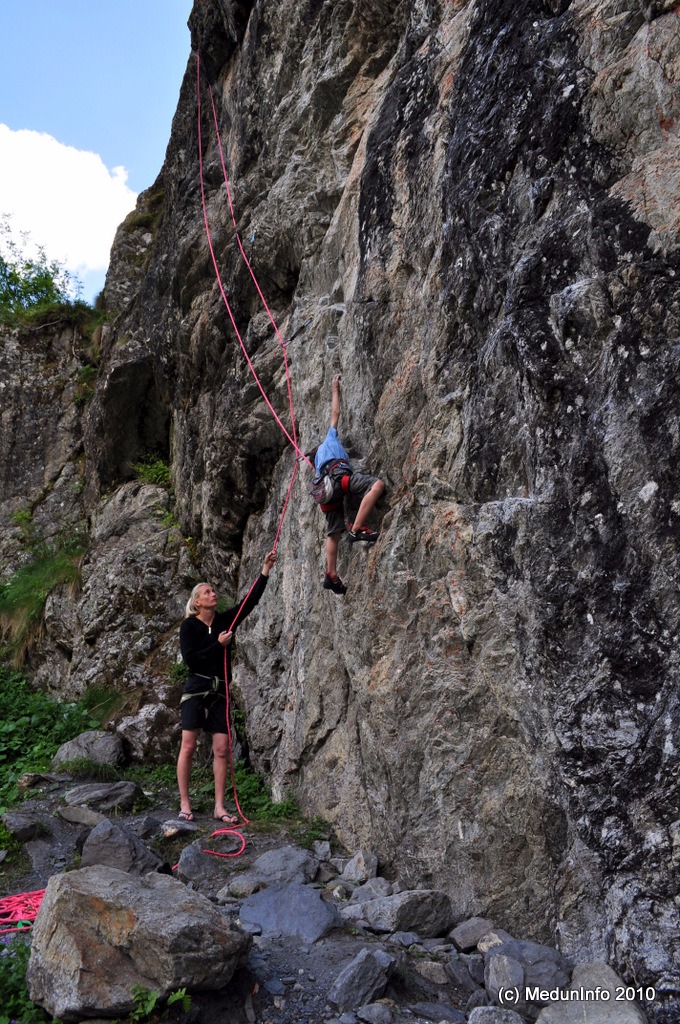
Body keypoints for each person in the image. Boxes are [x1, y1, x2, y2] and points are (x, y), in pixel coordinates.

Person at [176, 549, 277, 822]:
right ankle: (185, 804)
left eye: (213, 591)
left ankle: (219, 806)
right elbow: (191, 660)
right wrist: (217, 645)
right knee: (188, 745)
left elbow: (249, 603)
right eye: (207, 592)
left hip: (220, 690)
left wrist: (265, 569)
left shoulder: (223, 621)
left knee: (221, 748)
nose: (213, 594)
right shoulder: (189, 627)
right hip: (196, 688)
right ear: (197, 601)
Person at [313, 373, 384, 595]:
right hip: (338, 478)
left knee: (333, 532)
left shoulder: (317, 460)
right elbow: (335, 414)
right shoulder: (329, 440)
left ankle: (331, 574)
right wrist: (335, 388)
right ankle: (356, 529)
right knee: (377, 485)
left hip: (324, 490)